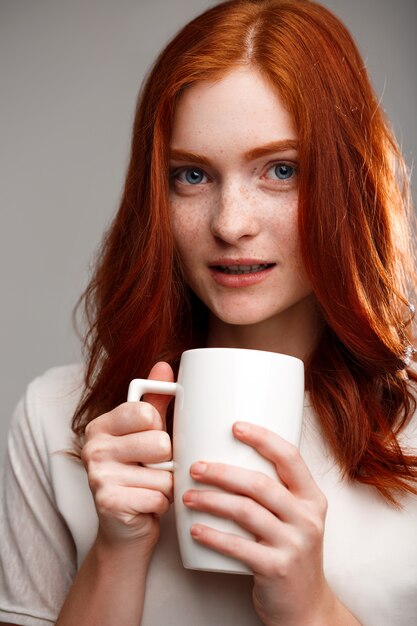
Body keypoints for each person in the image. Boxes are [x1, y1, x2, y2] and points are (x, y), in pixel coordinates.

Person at [1, 0, 417, 624]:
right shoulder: (57, 421)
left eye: (281, 170)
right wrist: (117, 551)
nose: (230, 224)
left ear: (347, 182)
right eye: (192, 176)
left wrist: (312, 609)